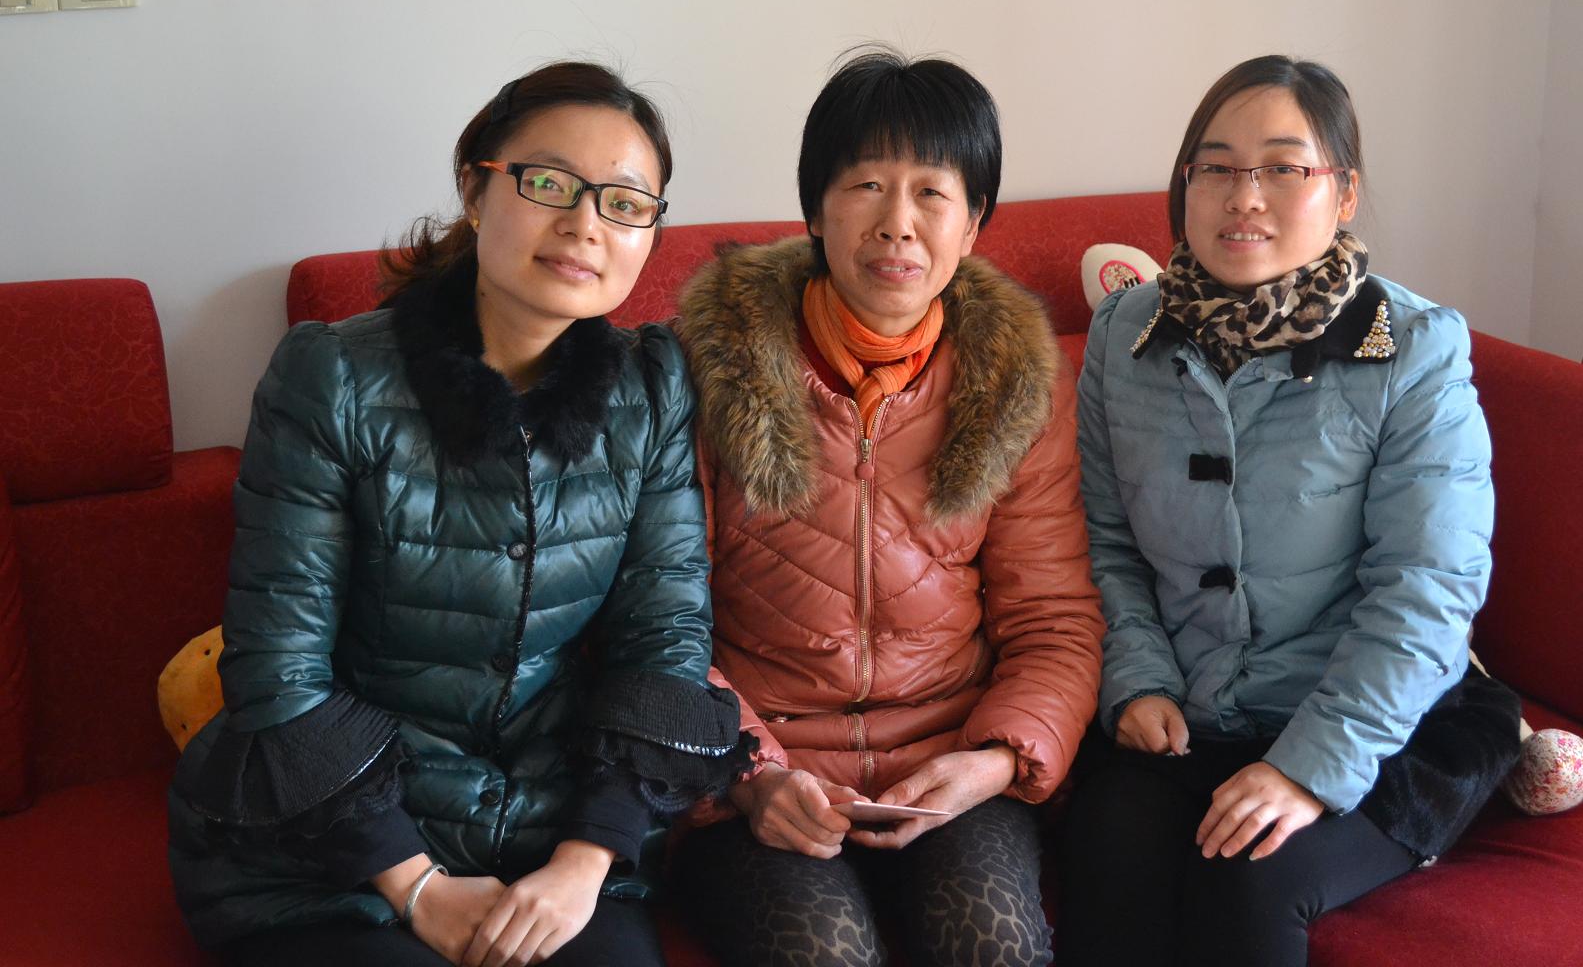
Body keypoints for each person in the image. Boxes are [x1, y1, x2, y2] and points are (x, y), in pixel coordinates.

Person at [168, 62, 750, 967]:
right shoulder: (332, 376)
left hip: (554, 836)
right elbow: (278, 667)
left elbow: (663, 639)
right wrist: (417, 887)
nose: (585, 224)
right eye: (550, 183)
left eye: (625, 203)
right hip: (333, 846)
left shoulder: (651, 385)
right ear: (476, 190)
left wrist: (583, 864)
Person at [1060, 55, 1522, 966]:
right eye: (1217, 167)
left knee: (1248, 879)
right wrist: (1138, 680)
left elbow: (1428, 586)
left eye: (1283, 167)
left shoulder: (1414, 349)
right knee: (1106, 860)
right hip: (1190, 708)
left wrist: (1308, 769)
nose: (1245, 197)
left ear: (1342, 193)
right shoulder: (1125, 334)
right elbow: (1104, 541)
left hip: (1380, 725)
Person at [669, 49, 1104, 967]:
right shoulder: (704, 371)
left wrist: (995, 761)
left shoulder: (1019, 387)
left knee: (994, 940)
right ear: (815, 210)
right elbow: (658, 624)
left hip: (950, 760)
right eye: (866, 185)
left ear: (973, 223)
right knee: (822, 951)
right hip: (758, 767)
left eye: (932, 193)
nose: (897, 223)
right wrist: (752, 773)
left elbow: (1054, 619)